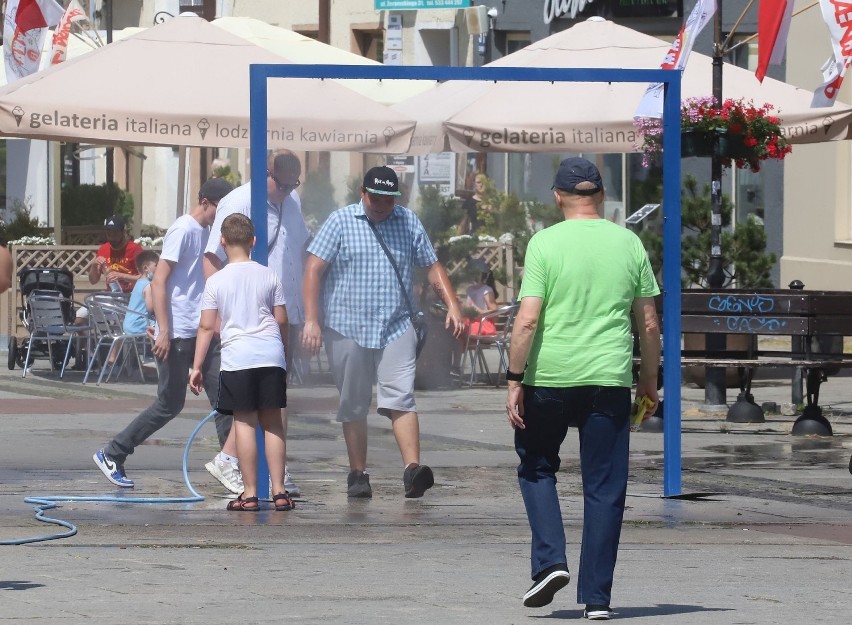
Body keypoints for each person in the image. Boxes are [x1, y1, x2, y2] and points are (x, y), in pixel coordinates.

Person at [504, 158, 661, 619]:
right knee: (605, 487)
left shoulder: (545, 243)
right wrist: (648, 381)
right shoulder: (628, 242)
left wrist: (514, 380)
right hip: (608, 379)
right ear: (601, 194)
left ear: (558, 195)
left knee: (536, 466)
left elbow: (528, 318)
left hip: (549, 377)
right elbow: (648, 322)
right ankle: (597, 599)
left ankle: (551, 560)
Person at [302, 165, 464, 499]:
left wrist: (454, 305)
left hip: (396, 324)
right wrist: (311, 320)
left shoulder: (408, 221)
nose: (380, 205)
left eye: (387, 200)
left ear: (396, 198)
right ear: (362, 193)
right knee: (354, 401)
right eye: (374, 197)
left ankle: (412, 471)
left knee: (401, 396)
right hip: (347, 326)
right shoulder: (340, 221)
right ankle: (358, 473)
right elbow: (313, 270)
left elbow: (432, 266)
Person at [92, 178, 237, 488]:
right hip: (175, 332)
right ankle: (112, 452)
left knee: (225, 397)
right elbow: (159, 281)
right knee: (169, 404)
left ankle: (231, 465)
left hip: (201, 330)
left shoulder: (210, 234)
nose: (222, 216)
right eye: (220, 209)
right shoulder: (183, 230)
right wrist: (163, 331)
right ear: (205, 203)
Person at [203, 149, 308, 497]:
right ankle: (231, 460)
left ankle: (273, 471)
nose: (286, 191)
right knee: (251, 405)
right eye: (281, 184)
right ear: (265, 172)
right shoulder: (239, 201)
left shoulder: (291, 202)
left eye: (294, 184)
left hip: (282, 313)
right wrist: (219, 315)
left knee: (275, 398)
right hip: (247, 320)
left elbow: (297, 254)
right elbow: (210, 260)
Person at [190, 214, 292, 512]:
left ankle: (249, 494)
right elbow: (281, 319)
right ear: (253, 241)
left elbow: (207, 327)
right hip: (270, 354)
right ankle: (280, 492)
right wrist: (283, 352)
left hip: (238, 358)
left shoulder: (216, 281)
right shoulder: (269, 274)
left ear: (222, 241)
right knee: (273, 423)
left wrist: (196, 366)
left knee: (244, 423)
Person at [88, 216, 143, 294]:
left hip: (132, 294)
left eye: (115, 234)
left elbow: (145, 278)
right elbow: (93, 281)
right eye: (109, 234)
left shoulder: (135, 249)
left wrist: (122, 276)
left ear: (123, 232)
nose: (112, 238)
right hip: (112, 295)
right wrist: (94, 266)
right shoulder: (103, 249)